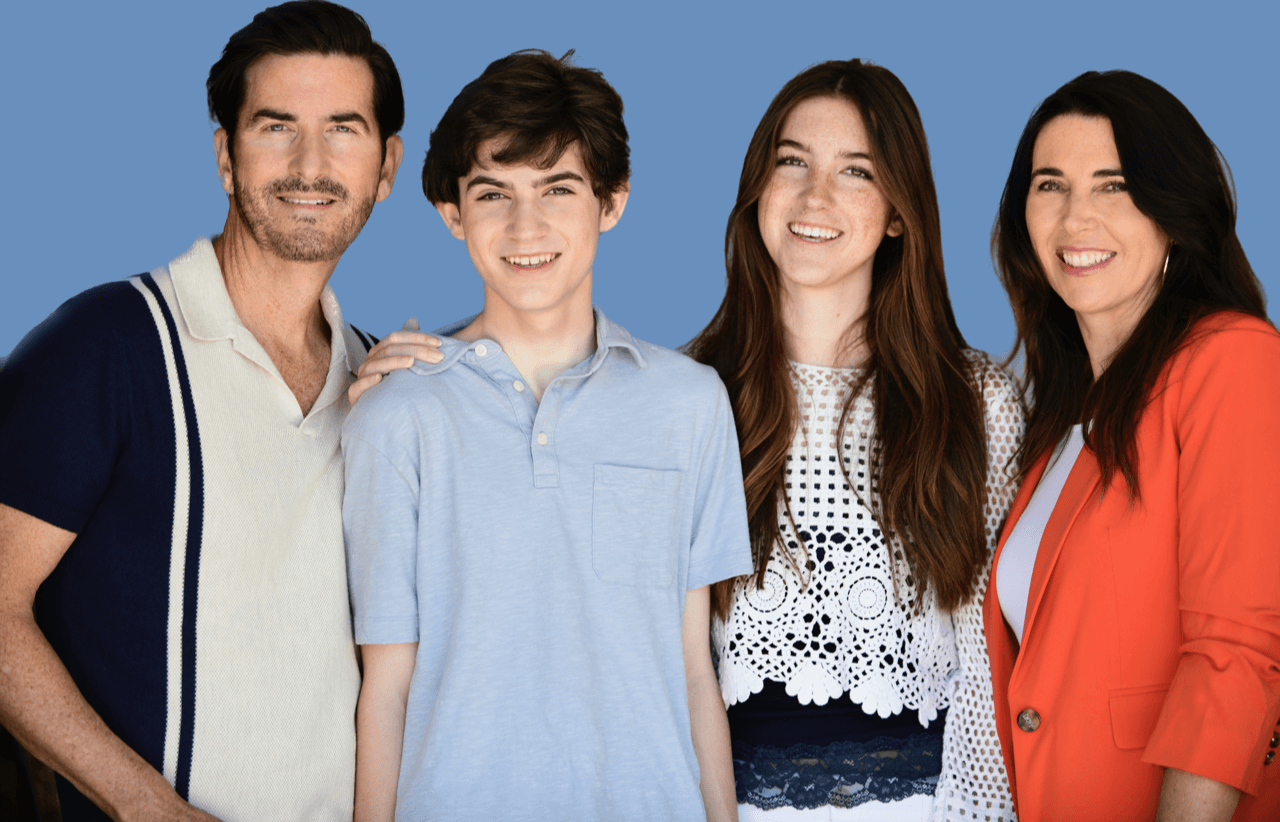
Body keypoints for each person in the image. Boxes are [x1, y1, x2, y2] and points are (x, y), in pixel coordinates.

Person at [0, 2, 420, 820]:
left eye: (343, 128)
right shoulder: (110, 345)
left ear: (387, 165)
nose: (310, 163)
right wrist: (144, 805)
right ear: (226, 157)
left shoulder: (380, 383)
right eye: (275, 127)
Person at [341, 49, 752, 822]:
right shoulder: (396, 415)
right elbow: (387, 686)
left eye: (558, 189)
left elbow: (694, 669)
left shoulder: (691, 406)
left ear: (613, 201)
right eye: (493, 194)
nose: (525, 227)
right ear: (452, 214)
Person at [682, 60, 1023, 821]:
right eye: (792, 162)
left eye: (856, 172)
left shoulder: (974, 401)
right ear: (757, 189)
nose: (814, 197)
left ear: (899, 213)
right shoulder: (687, 393)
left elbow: (989, 664)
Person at [984, 69, 1280, 822]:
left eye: (1113, 186)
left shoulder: (1232, 361)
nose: (1076, 217)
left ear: (1175, 213)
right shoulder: (1060, 418)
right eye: (1050, 185)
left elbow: (1237, 656)